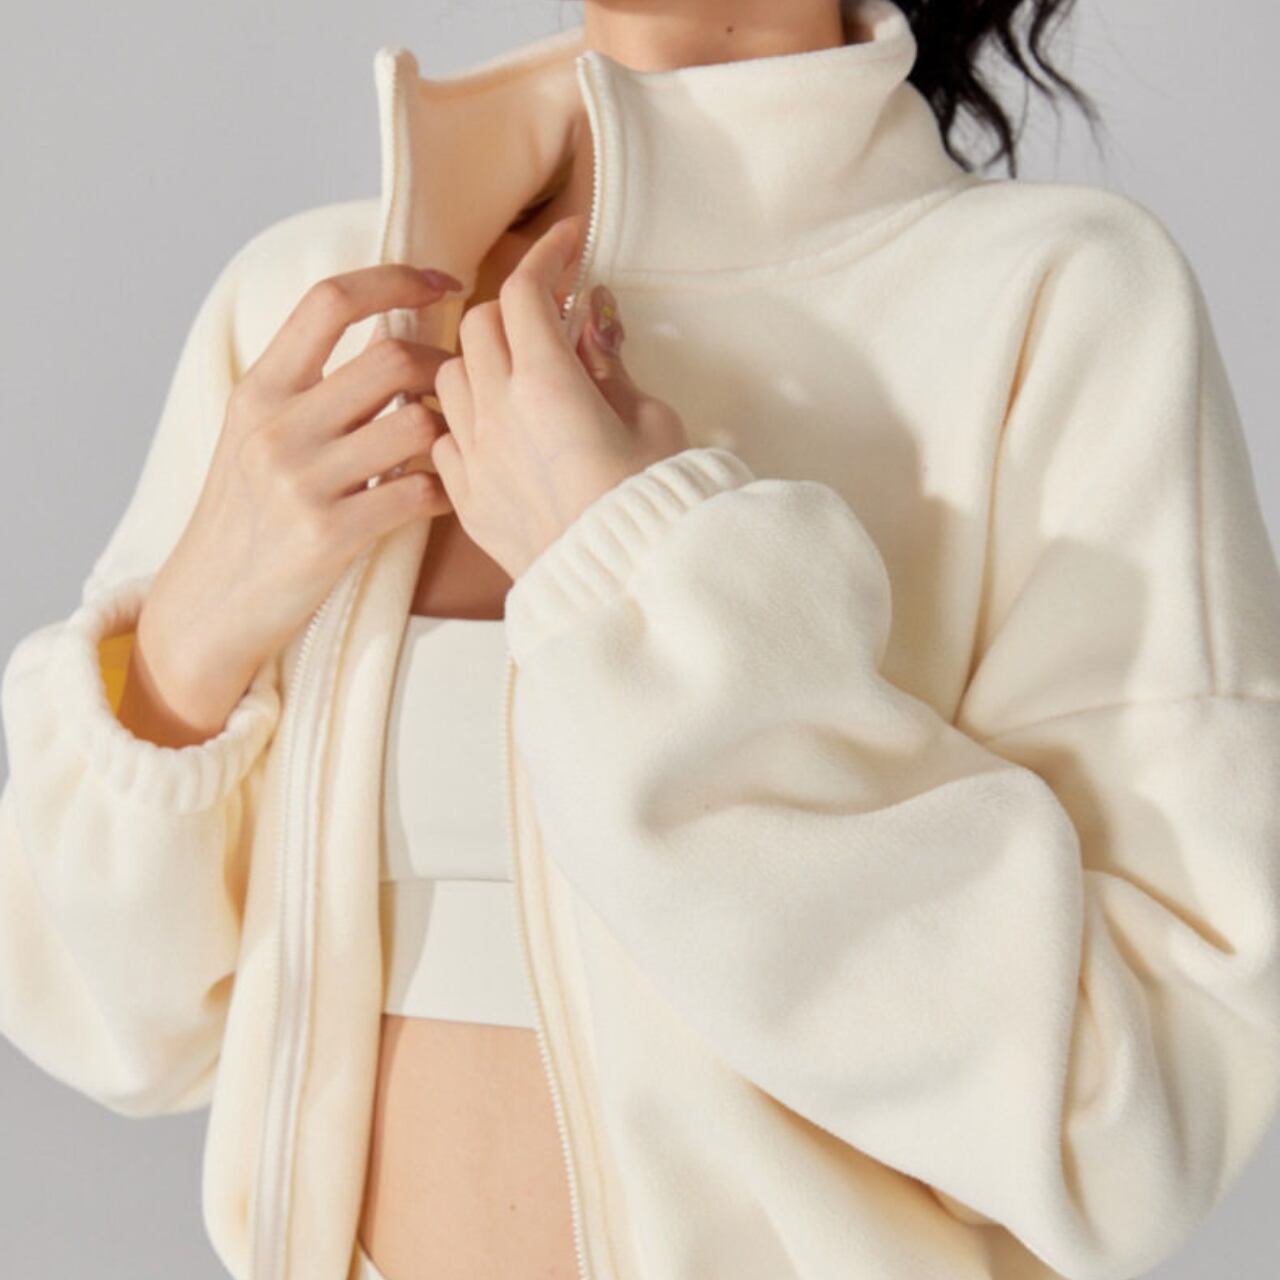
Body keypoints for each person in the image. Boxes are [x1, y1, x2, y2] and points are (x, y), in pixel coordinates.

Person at [4, 1, 1279, 1278]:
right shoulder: (316, 308)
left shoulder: (1053, 302)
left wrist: (641, 573)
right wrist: (185, 644)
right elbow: (103, 1017)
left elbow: (1133, 1126)